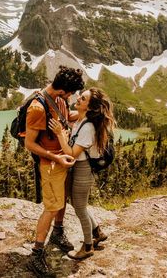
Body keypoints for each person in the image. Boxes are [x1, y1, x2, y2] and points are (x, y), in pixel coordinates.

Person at [25, 66, 85, 277]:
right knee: (51, 206)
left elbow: (67, 117)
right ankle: (36, 253)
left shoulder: (60, 100)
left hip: (63, 159)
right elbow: (30, 144)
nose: (71, 97)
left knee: (62, 200)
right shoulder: (37, 108)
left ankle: (57, 233)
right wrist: (55, 157)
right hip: (50, 164)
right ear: (63, 91)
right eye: (71, 94)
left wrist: (89, 113)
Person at [49, 87, 114, 260]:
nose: (78, 98)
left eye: (83, 99)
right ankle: (97, 233)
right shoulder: (81, 119)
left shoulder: (88, 128)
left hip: (83, 168)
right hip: (79, 168)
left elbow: (71, 154)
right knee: (80, 205)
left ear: (90, 107)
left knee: (79, 208)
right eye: (80, 95)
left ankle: (87, 247)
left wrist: (59, 135)